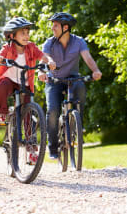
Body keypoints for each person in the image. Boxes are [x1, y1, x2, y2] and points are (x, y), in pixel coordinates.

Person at [0, 17, 50, 163]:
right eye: (22, 33)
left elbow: (43, 56)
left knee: (28, 116)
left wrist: (50, 61)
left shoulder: (31, 47)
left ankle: (31, 150)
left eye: (27, 32)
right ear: (12, 36)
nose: (26, 36)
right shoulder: (8, 48)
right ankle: (2, 113)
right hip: (10, 81)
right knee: (2, 85)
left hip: (25, 83)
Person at [38, 12, 102, 159]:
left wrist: (96, 71)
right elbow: (44, 59)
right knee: (53, 110)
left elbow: (88, 57)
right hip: (54, 80)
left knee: (80, 87)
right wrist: (41, 72)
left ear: (65, 27)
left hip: (72, 78)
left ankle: (77, 125)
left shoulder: (79, 41)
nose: (52, 28)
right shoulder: (49, 42)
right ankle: (52, 146)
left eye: (55, 25)